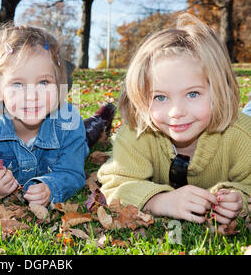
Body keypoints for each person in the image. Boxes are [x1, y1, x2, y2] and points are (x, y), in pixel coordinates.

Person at [98, 13, 250, 225]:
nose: (176, 112)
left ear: (219, 90)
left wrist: (240, 199)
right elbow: (117, 183)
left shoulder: (242, 136)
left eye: (193, 94)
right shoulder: (137, 131)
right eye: (160, 97)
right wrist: (159, 201)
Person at [0, 25, 109, 206]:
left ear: (57, 85)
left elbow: (72, 172)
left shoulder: (68, 122)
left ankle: (103, 116)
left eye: (43, 82)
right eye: (17, 84)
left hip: (77, 137)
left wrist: (51, 187)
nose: (32, 96)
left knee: (91, 131)